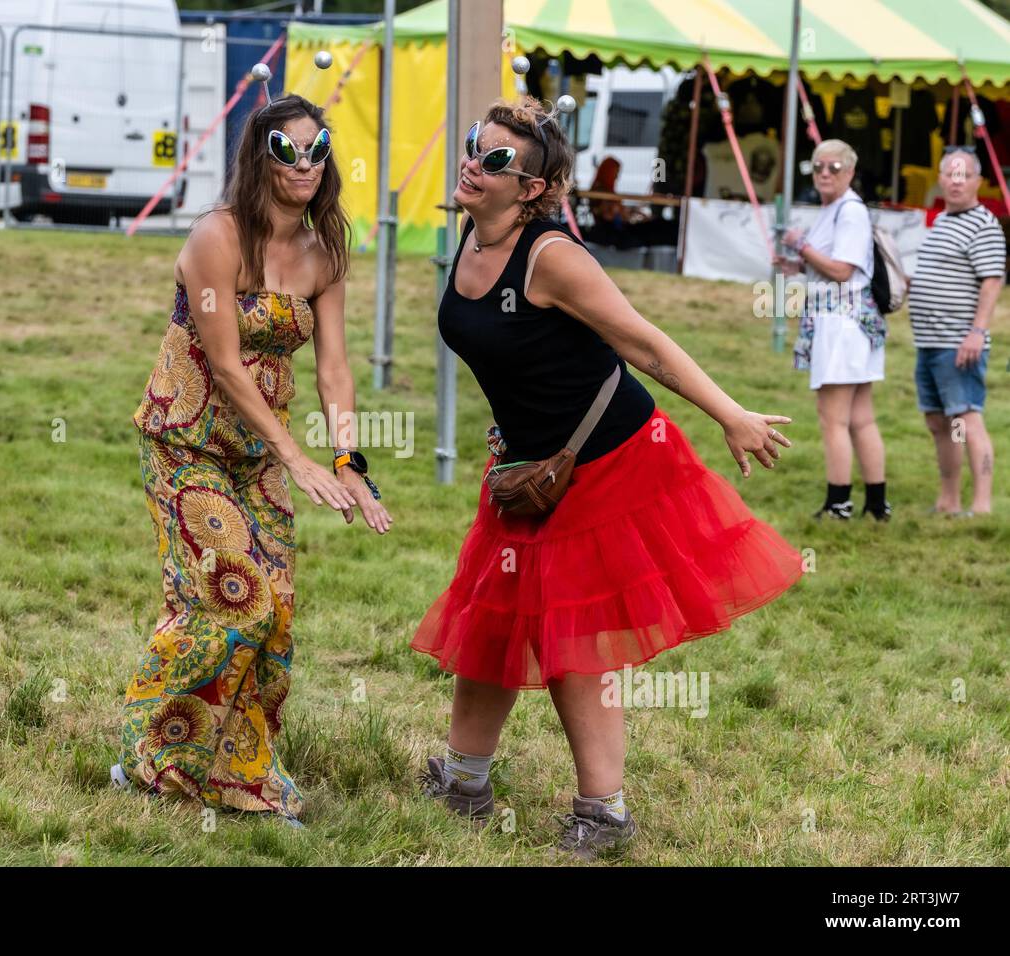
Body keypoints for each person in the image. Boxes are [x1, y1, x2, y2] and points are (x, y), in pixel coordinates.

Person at [411, 96, 804, 860]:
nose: (472, 163)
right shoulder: (470, 232)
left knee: (572, 634)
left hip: (610, 460)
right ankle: (465, 780)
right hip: (530, 466)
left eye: (494, 159)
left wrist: (731, 414)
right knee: (492, 611)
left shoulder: (553, 257)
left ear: (530, 189)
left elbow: (646, 345)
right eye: (473, 146)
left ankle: (605, 811)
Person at [115, 94, 391, 824]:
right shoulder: (218, 237)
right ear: (259, 156)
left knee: (277, 617)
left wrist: (348, 461)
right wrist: (298, 458)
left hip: (258, 456)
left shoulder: (327, 248)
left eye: (318, 149)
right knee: (236, 598)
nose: (304, 165)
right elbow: (226, 363)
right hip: (187, 442)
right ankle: (153, 751)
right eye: (286, 150)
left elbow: (334, 367)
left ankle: (236, 768)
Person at [782, 139, 891, 520]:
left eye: (834, 167)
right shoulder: (834, 208)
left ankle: (838, 504)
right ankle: (876, 506)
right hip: (847, 322)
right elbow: (834, 265)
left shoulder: (850, 211)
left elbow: (843, 271)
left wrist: (801, 246)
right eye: (818, 167)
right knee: (860, 417)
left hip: (843, 324)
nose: (824, 174)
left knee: (834, 418)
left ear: (850, 172)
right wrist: (797, 265)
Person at [907, 147, 1005, 515]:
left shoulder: (984, 223)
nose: (956, 181)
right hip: (928, 341)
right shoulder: (943, 220)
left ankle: (981, 506)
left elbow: (992, 281)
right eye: (950, 173)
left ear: (979, 181)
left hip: (959, 343)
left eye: (964, 174)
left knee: (966, 419)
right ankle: (948, 500)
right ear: (940, 177)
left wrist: (977, 332)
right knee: (938, 421)